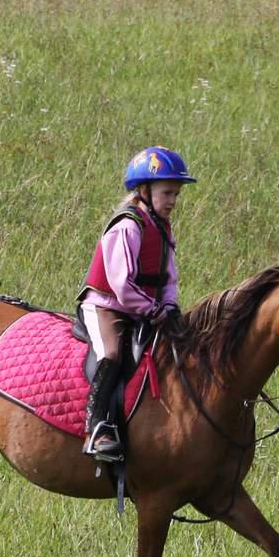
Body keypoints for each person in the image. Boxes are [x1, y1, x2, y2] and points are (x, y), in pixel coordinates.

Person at [78, 145, 194, 460]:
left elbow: (169, 277)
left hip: (145, 310)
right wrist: (153, 310)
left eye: (176, 195)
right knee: (113, 354)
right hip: (107, 307)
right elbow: (121, 285)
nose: (172, 201)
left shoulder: (162, 227)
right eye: (167, 193)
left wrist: (169, 308)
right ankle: (97, 427)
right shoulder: (128, 226)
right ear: (144, 190)